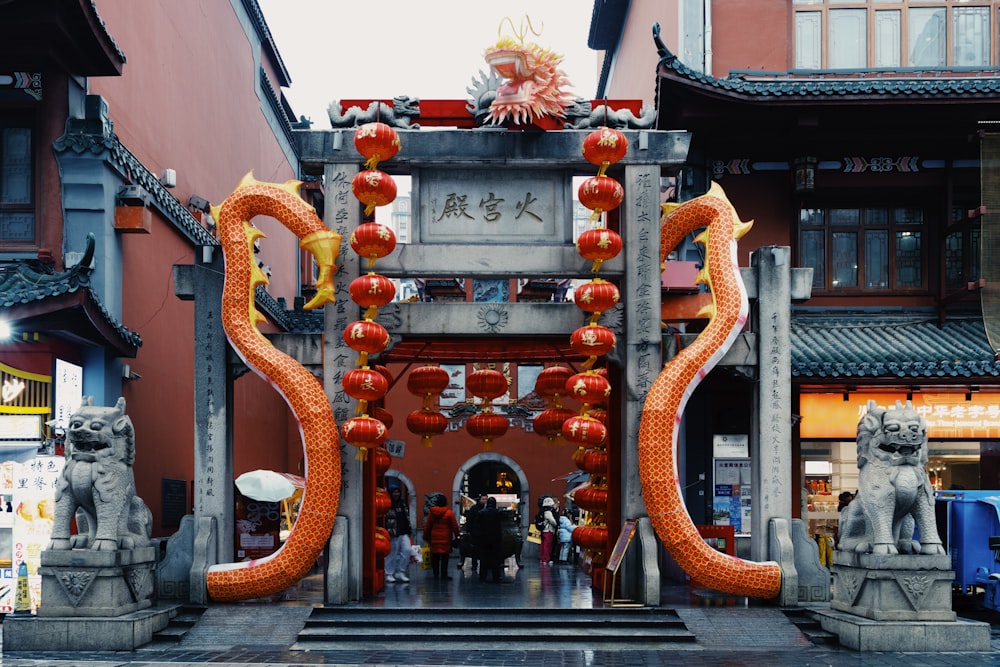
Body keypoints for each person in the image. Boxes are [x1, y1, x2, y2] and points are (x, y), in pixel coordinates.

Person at [422, 493, 460, 579]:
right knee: (445, 557)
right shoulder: (449, 513)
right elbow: (454, 526)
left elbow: (428, 526)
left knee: (435, 556)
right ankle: (444, 574)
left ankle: (435, 574)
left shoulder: (432, 513)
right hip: (446, 537)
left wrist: (425, 536)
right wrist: (457, 536)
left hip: (434, 537)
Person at [383, 486, 413, 583]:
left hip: (403, 531)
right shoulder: (388, 504)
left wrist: (409, 530)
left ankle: (401, 571)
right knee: (391, 554)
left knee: (407, 550)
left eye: (398, 492)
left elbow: (406, 517)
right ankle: (389, 573)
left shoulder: (403, 503)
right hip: (392, 532)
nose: (396, 494)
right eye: (394, 492)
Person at [475, 496, 504, 583]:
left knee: (484, 559)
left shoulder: (481, 513)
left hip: (484, 539)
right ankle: (496, 577)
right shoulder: (498, 513)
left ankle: (482, 577)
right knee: (496, 559)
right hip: (496, 539)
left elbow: (477, 526)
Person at [458, 493, 488, 571]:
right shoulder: (474, 508)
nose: (485, 501)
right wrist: (469, 530)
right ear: (479, 499)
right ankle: (475, 564)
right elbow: (470, 520)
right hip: (476, 532)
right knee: (475, 549)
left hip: (484, 533)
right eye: (483, 499)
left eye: (486, 499)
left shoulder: (486, 508)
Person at [539, 496, 558, 565]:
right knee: (547, 545)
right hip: (548, 530)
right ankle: (546, 559)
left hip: (543, 530)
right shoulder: (548, 512)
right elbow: (552, 521)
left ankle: (542, 558)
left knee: (543, 545)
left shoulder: (542, 511)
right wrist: (556, 524)